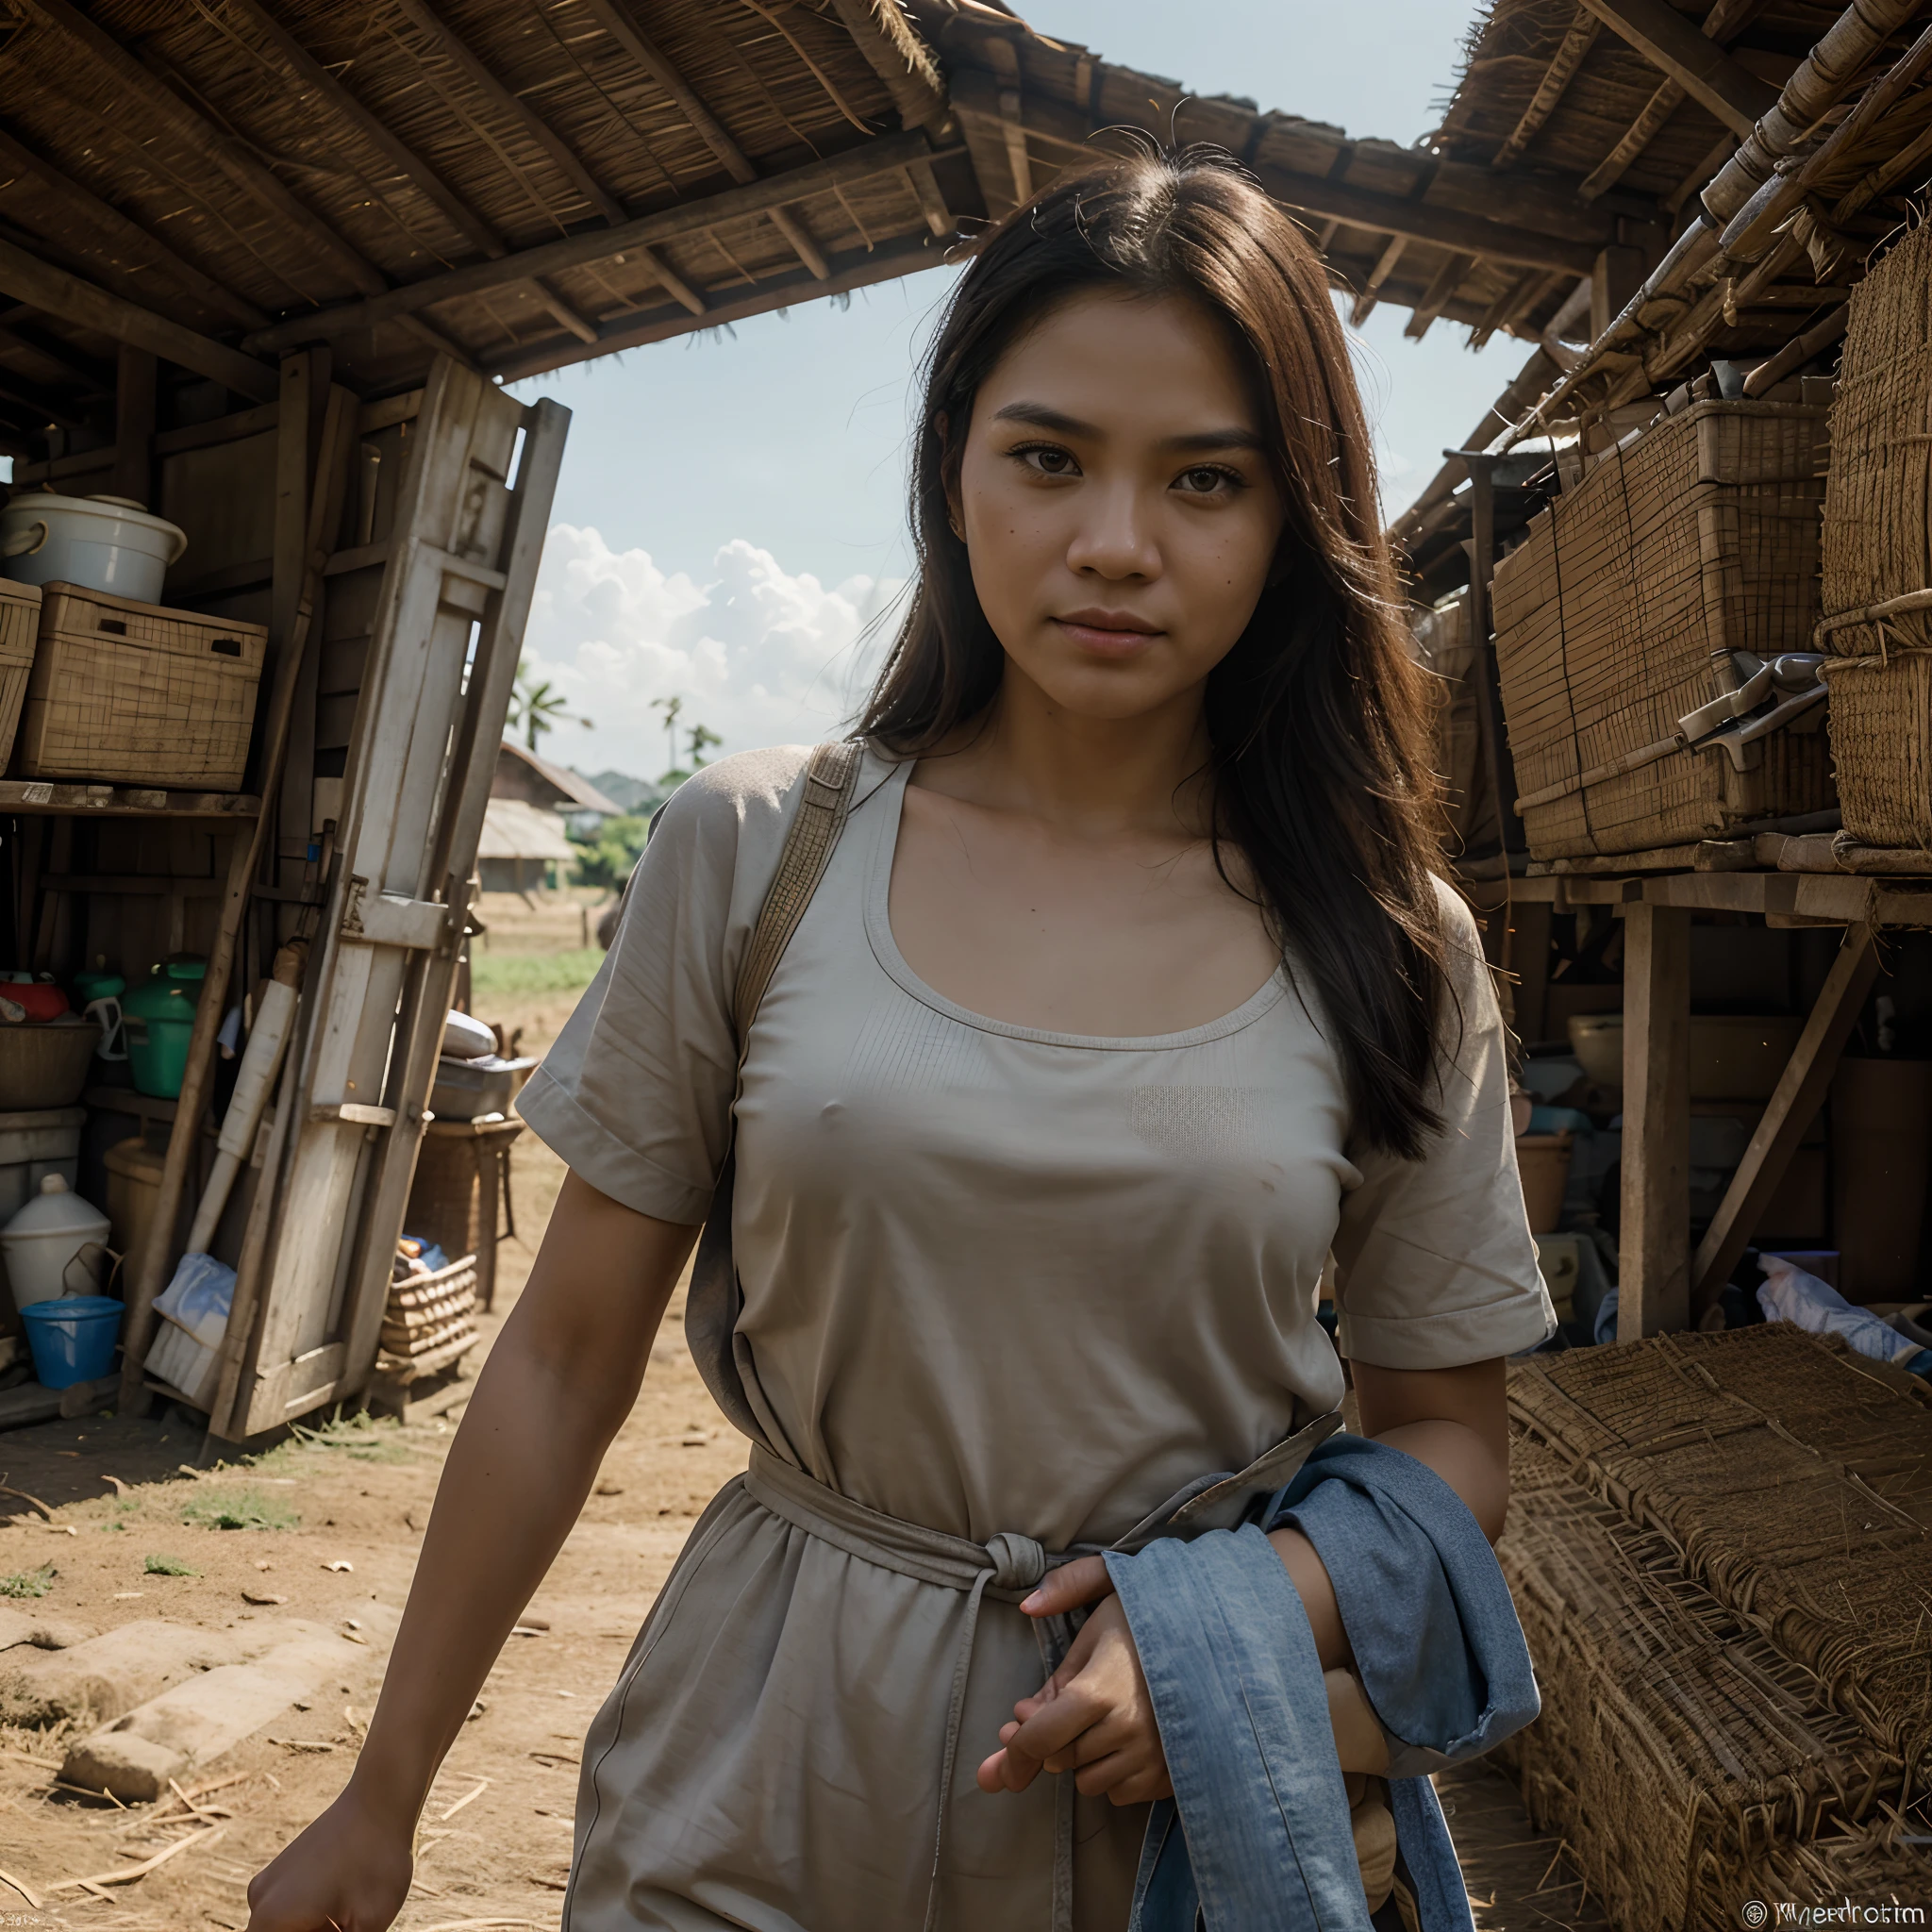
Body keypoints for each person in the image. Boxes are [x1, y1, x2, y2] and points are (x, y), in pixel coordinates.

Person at [246, 144, 1553, 1932]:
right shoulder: (754, 850)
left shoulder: (1394, 945)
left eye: (1205, 480)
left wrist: (1238, 1627)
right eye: (1047, 457)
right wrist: (381, 1797)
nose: (1113, 540)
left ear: (1296, 517)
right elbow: (557, 1360)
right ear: (956, 473)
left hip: (1169, 1796)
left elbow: (1445, 1437)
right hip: (765, 1757)